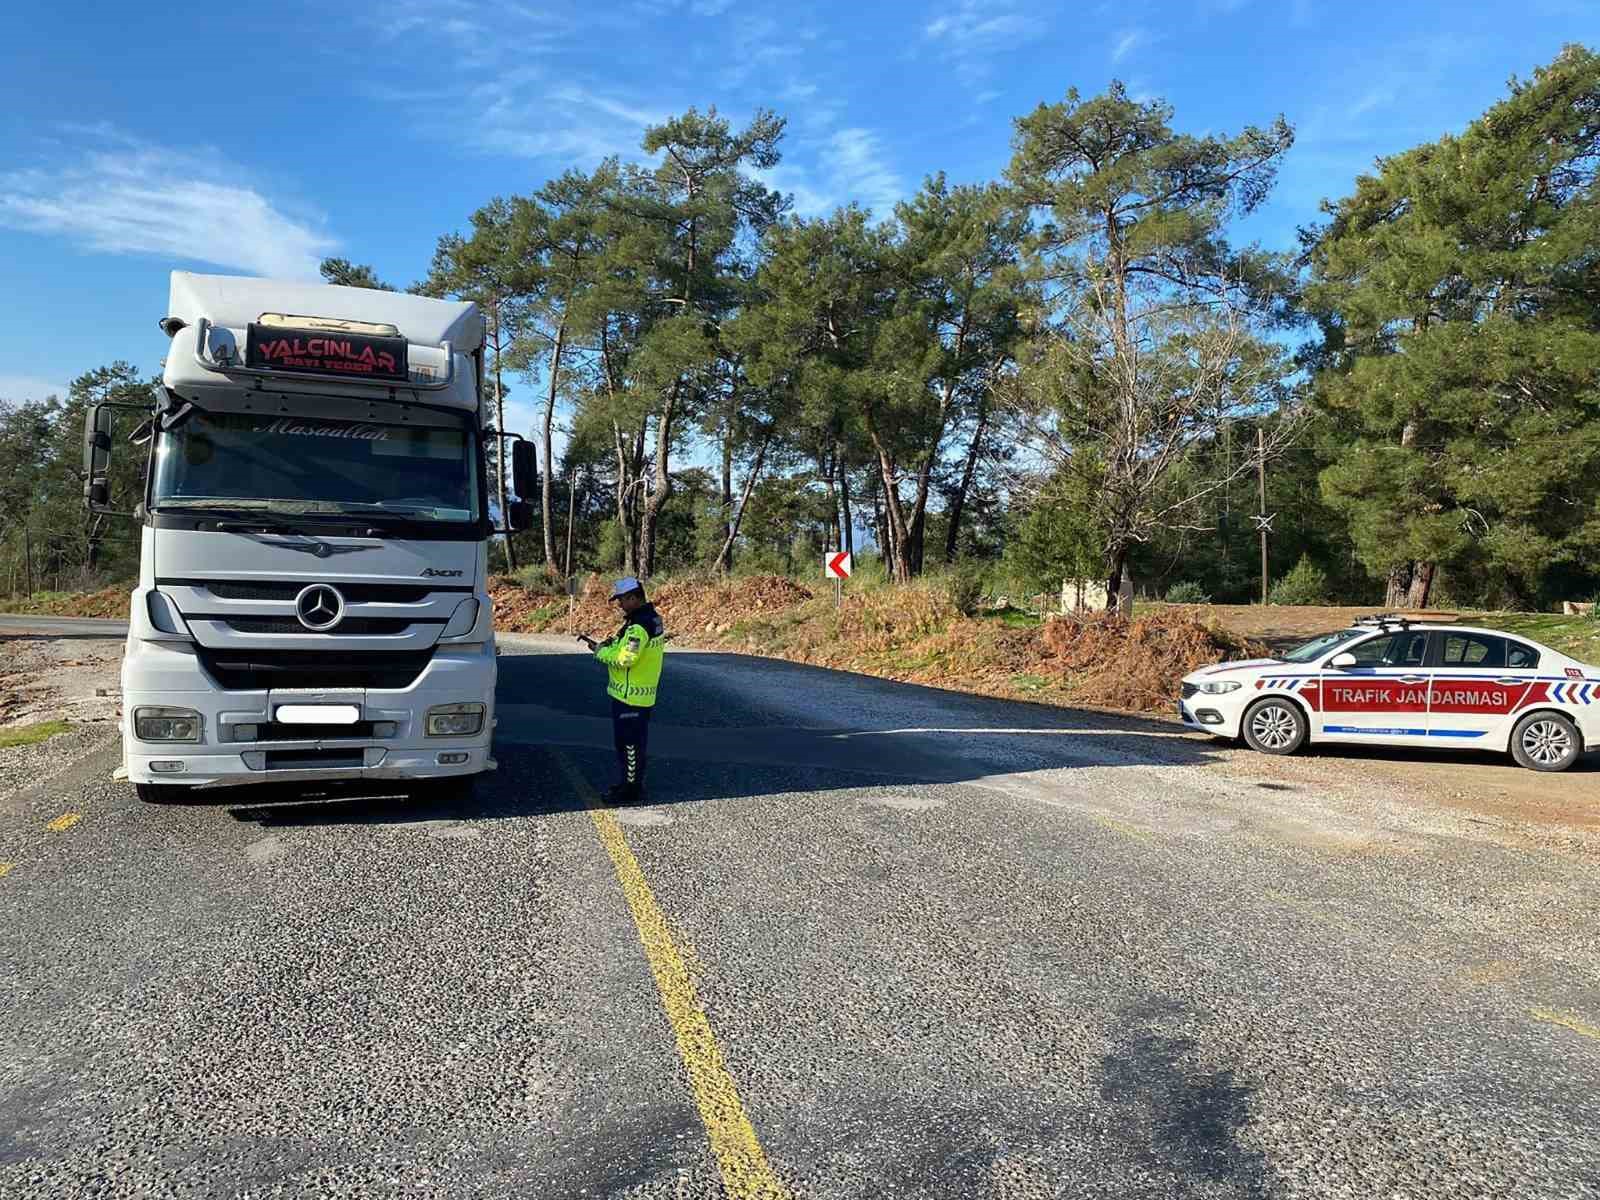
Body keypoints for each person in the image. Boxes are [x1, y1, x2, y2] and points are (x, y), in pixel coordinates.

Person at [577, 577, 666, 804]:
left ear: (634, 598)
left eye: (622, 600)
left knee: (630, 746)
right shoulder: (645, 619)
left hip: (631, 697)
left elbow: (626, 659)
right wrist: (602, 646)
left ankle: (631, 790)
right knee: (631, 745)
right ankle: (629, 783)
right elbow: (621, 646)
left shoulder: (639, 626)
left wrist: (600, 654)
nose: (619, 604)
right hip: (633, 695)